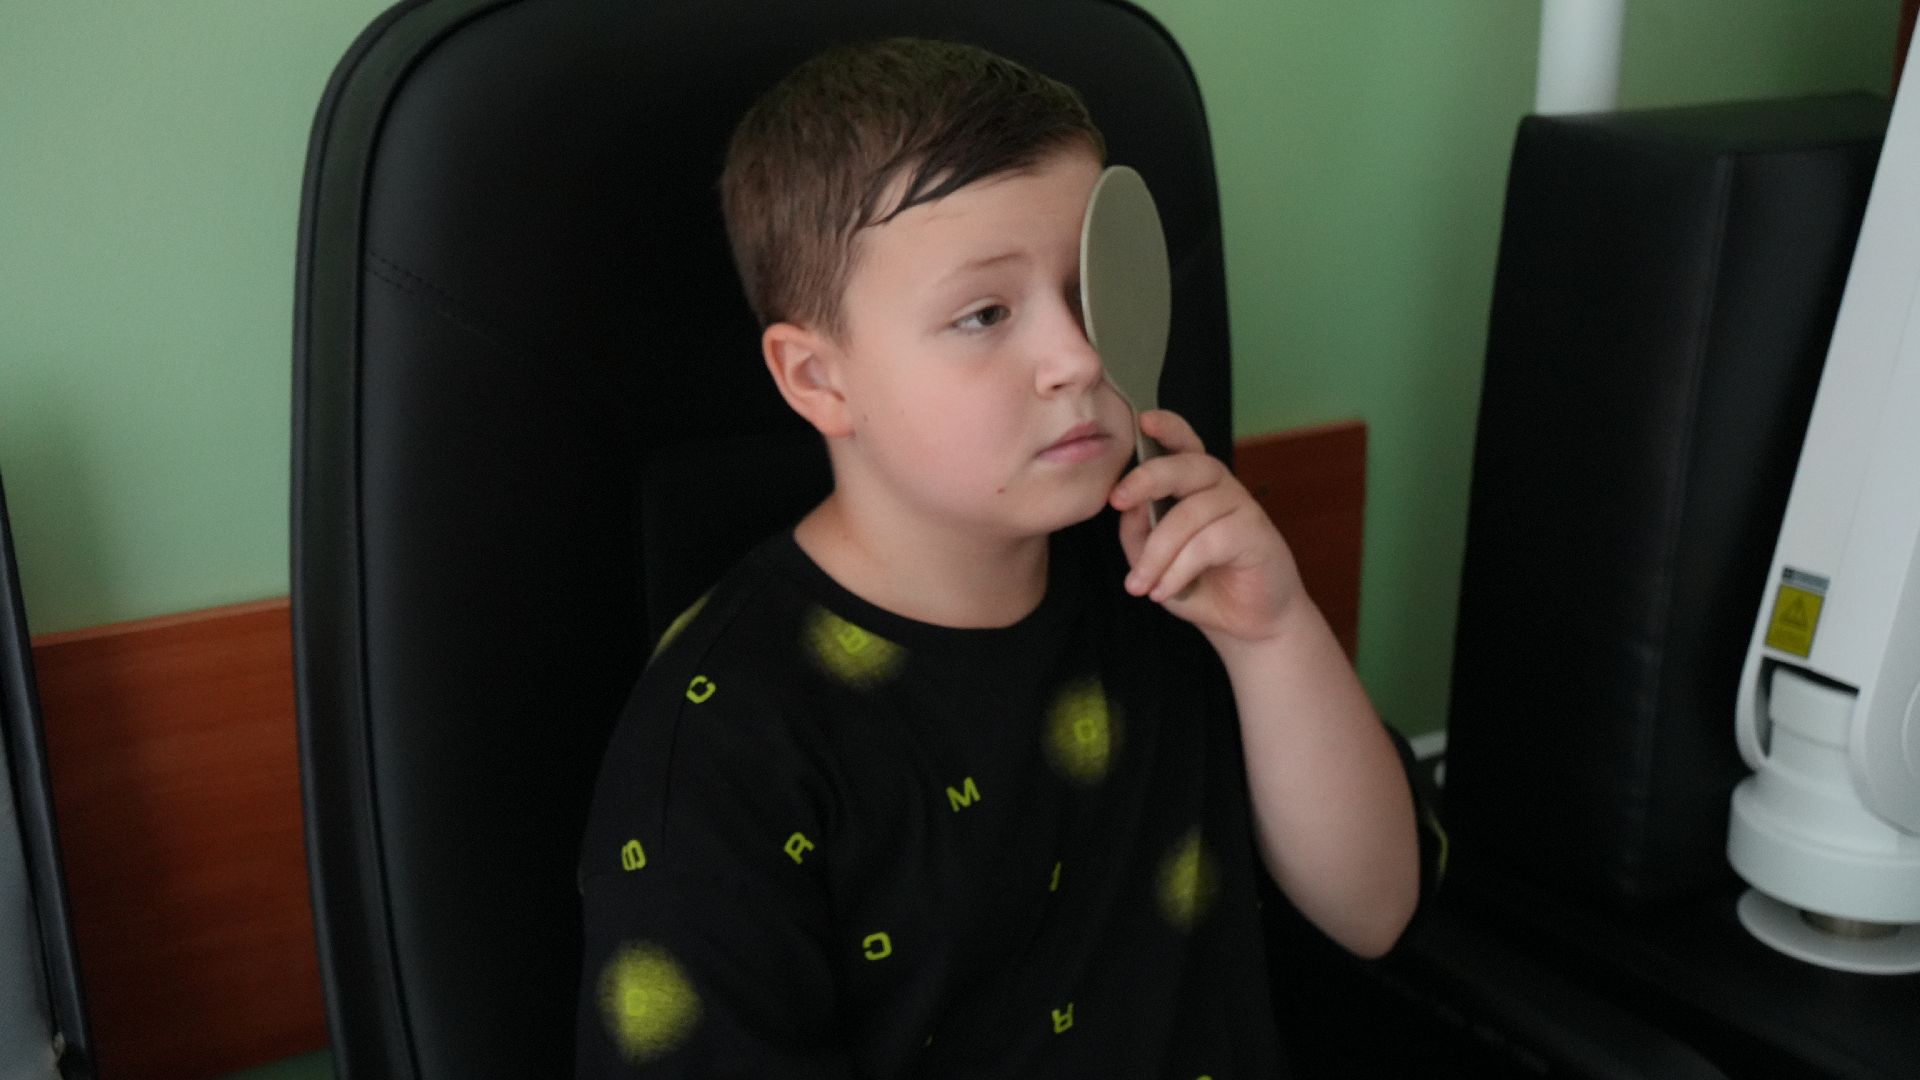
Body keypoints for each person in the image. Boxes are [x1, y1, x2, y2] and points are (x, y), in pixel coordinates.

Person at [576, 37, 1427, 1078]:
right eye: (984, 314)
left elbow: (1375, 909)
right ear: (818, 380)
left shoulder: (1170, 574)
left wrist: (1273, 638)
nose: (1076, 356)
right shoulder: (728, 739)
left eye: (1089, 292)